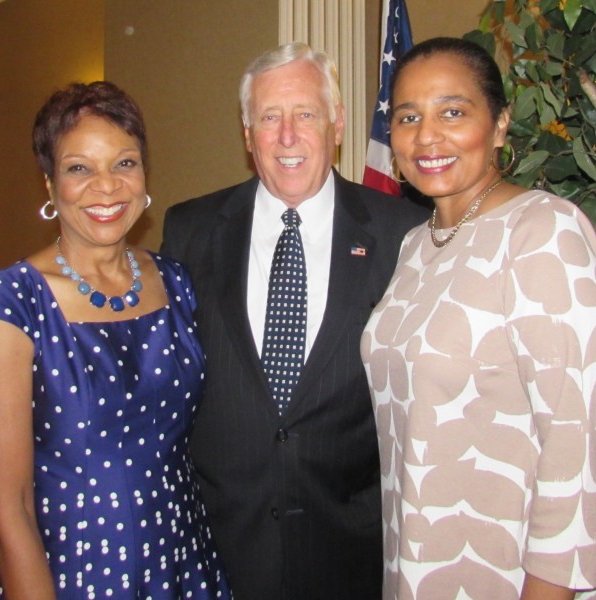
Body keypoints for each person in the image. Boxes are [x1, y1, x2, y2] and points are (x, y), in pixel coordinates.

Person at [161, 42, 428, 599]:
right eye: (269, 117)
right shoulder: (189, 229)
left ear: (336, 124)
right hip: (220, 548)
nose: (287, 136)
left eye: (305, 114)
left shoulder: (403, 233)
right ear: (246, 130)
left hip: (350, 550)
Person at [361, 37, 596, 599]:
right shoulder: (414, 246)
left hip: (505, 576)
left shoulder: (543, 232)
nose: (427, 136)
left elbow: (575, 445)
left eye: (453, 112)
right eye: (408, 117)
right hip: (417, 566)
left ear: (499, 125)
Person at [0, 81, 231, 599]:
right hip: (69, 569)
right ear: (49, 183)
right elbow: (6, 511)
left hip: (182, 556)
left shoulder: (176, 281)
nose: (106, 187)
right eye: (79, 168)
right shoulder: (13, 301)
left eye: (124, 163)